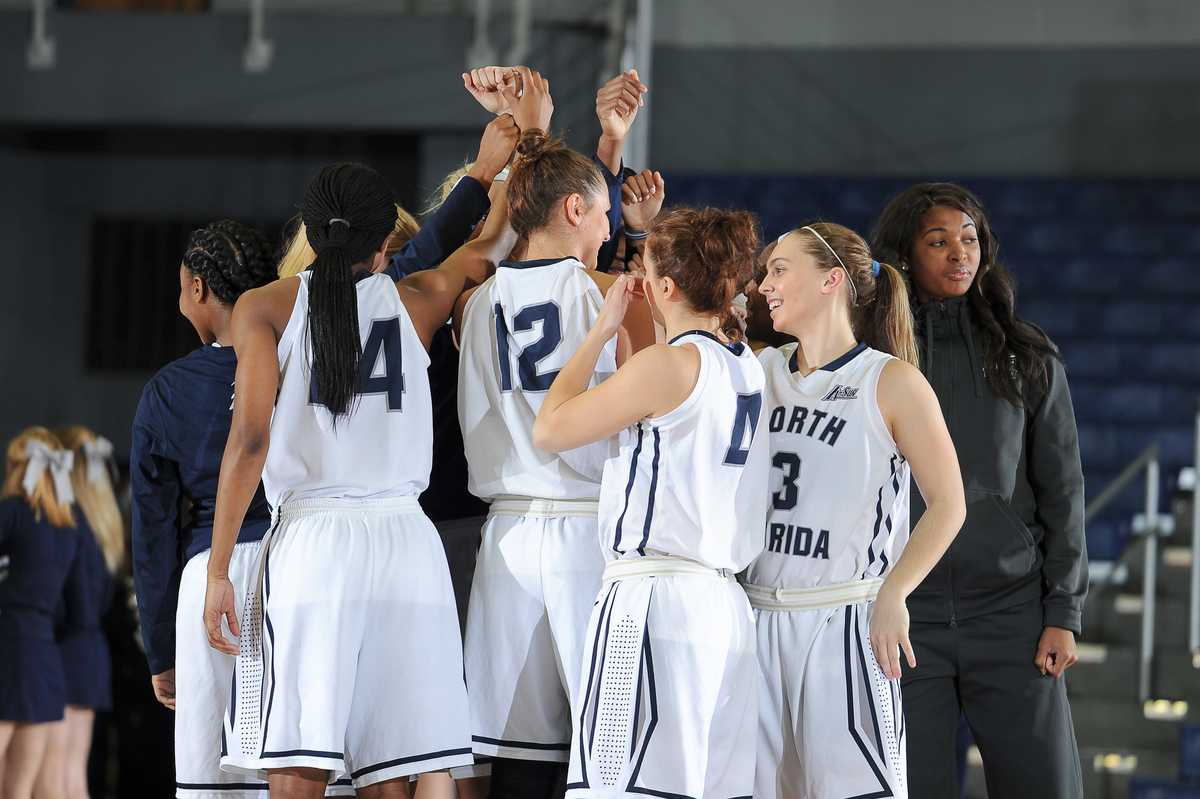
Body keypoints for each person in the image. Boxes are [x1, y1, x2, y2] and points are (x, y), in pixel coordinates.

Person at [203, 82, 531, 798]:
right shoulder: (418, 299)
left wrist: (220, 567)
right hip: (406, 545)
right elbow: (499, 239)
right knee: (399, 768)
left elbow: (250, 440)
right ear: (386, 244)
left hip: (315, 547)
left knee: (299, 759)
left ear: (314, 233)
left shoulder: (264, 307)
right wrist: (504, 159)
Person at [532, 206, 768, 799]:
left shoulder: (667, 366)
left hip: (653, 603)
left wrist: (602, 329)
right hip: (723, 608)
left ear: (664, 286)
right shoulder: (749, 366)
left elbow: (550, 429)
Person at [455, 124, 655, 799]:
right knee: (608, 751)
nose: (606, 229)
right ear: (574, 210)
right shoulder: (609, 294)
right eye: (602, 214)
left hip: (507, 539)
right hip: (588, 536)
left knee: (516, 759)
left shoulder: (472, 305)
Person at [871, 182, 1088, 798]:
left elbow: (1063, 490)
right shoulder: (875, 357)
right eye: (938, 241)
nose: (958, 253)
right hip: (904, 619)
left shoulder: (1026, 354)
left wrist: (1063, 611)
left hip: (1012, 615)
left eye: (968, 239)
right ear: (907, 255)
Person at [744, 223, 965, 798]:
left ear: (831, 280)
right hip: (753, 615)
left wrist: (895, 593)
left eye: (779, 269)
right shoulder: (758, 369)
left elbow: (949, 504)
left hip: (842, 619)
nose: (763, 283)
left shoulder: (890, 381)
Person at [129, 219, 308, 798]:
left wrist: (160, 648)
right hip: (302, 564)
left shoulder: (168, 389)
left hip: (214, 579)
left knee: (215, 784)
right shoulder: (304, 364)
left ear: (199, 288)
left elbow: (152, 532)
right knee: (305, 767)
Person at [37, 427, 123, 799]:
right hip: (90, 657)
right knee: (73, 778)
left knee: (53, 781)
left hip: (61, 657)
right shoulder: (103, 527)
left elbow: (66, 604)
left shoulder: (65, 524)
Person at [0, 427, 86, 799]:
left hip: (7, 645)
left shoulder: (13, 512)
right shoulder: (67, 527)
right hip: (43, 653)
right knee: (20, 789)